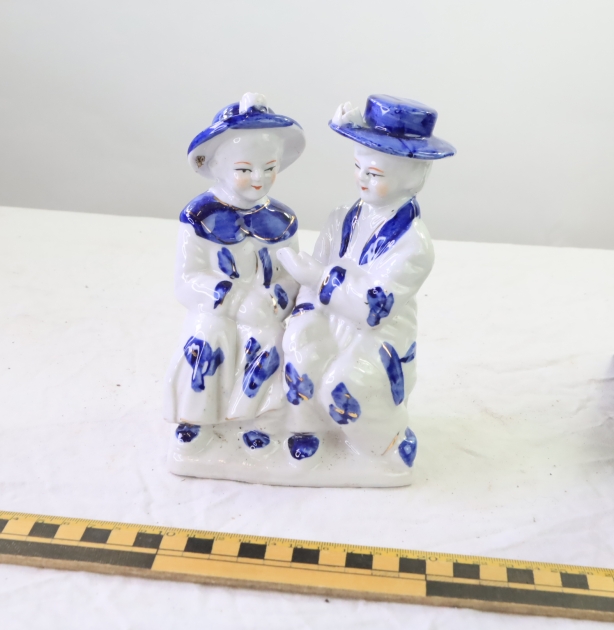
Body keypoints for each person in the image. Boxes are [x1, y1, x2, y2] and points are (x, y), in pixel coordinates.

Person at [278, 94, 456, 469]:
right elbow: (314, 269)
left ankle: (387, 443)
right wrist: (304, 311)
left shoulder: (413, 244)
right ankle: (307, 429)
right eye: (358, 167)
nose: (361, 178)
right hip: (329, 316)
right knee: (299, 346)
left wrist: (318, 278)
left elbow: (374, 308)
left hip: (379, 335)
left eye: (374, 174)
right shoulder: (341, 216)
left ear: (413, 178)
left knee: (342, 385)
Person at [163, 93, 305, 453]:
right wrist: (237, 299)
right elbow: (187, 279)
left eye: (269, 168)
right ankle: (197, 421)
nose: (259, 179)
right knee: (209, 339)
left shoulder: (283, 220)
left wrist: (276, 299)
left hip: (265, 312)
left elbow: (292, 272)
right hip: (216, 310)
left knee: (273, 342)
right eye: (244, 170)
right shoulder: (199, 217)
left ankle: (257, 420)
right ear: (216, 167)